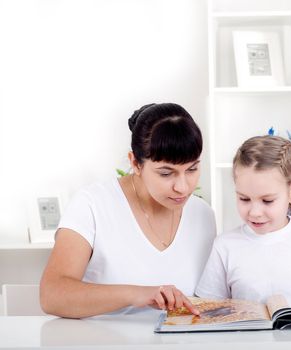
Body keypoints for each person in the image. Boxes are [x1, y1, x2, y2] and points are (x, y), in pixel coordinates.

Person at [40, 103, 216, 318]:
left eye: (192, 169)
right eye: (165, 173)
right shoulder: (92, 205)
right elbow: (52, 295)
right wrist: (139, 294)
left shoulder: (203, 215)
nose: (183, 187)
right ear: (136, 163)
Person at [195, 135, 291, 306]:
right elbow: (208, 307)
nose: (255, 212)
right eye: (244, 199)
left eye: (267, 201)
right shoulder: (224, 246)